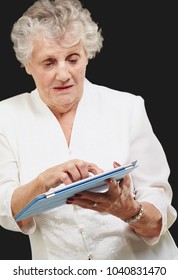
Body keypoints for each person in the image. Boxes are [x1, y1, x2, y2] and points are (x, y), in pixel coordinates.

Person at [0, 0, 178, 260]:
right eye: (48, 63)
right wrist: (41, 184)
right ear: (27, 64)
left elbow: (158, 213)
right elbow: (5, 207)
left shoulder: (128, 107)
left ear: (87, 55)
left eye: (73, 59)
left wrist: (128, 209)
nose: (63, 74)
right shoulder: (6, 115)